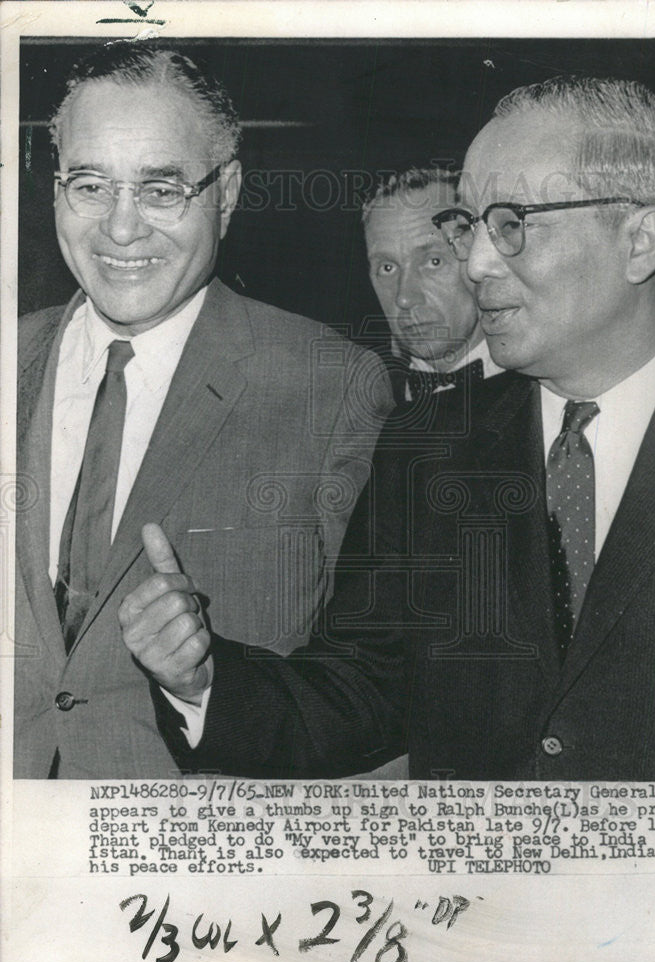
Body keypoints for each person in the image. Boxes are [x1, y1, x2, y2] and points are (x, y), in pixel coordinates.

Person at [121, 76, 655, 782]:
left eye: (511, 223)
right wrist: (202, 680)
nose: (477, 264)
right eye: (467, 225)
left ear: (639, 241)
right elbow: (355, 695)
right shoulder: (429, 445)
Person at [14, 42, 392, 779]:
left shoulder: (331, 385)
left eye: (161, 190)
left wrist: (206, 683)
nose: (120, 229)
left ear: (226, 193)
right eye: (90, 185)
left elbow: (374, 689)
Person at [362, 168, 504, 405]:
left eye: (433, 262)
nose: (405, 298)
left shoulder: (549, 391)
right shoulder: (365, 405)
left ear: (479, 257)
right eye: (387, 268)